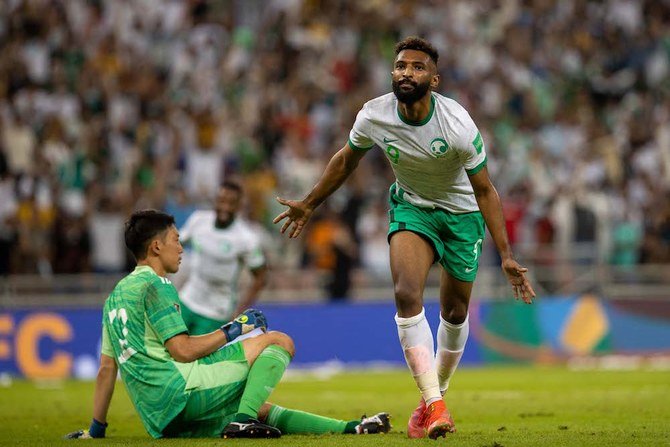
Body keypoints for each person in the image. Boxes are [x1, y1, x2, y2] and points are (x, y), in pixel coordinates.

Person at [273, 36, 536, 440]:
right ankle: (435, 405)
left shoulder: (458, 124)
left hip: (463, 216)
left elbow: (485, 190)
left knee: (454, 312)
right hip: (413, 208)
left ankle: (434, 396)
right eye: (400, 66)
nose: (406, 73)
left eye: (416, 67)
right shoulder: (374, 114)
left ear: (434, 78)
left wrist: (505, 255)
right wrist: (310, 203)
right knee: (406, 292)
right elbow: (346, 158)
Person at [65, 209, 390, 439]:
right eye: (176, 240)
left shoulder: (114, 298)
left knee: (260, 407)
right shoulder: (157, 286)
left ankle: (352, 428)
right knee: (278, 341)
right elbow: (182, 350)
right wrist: (235, 329)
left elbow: (107, 369)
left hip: (160, 419)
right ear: (156, 246)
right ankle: (242, 422)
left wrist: (96, 431)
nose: (181, 248)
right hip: (181, 393)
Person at [178, 181, 268, 335]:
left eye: (231, 203)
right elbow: (175, 244)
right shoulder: (198, 220)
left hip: (217, 311)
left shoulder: (246, 238)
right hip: (187, 299)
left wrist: (241, 312)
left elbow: (261, 278)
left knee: (194, 357)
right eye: (221, 201)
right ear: (215, 201)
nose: (225, 207)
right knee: (166, 350)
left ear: (239, 206)